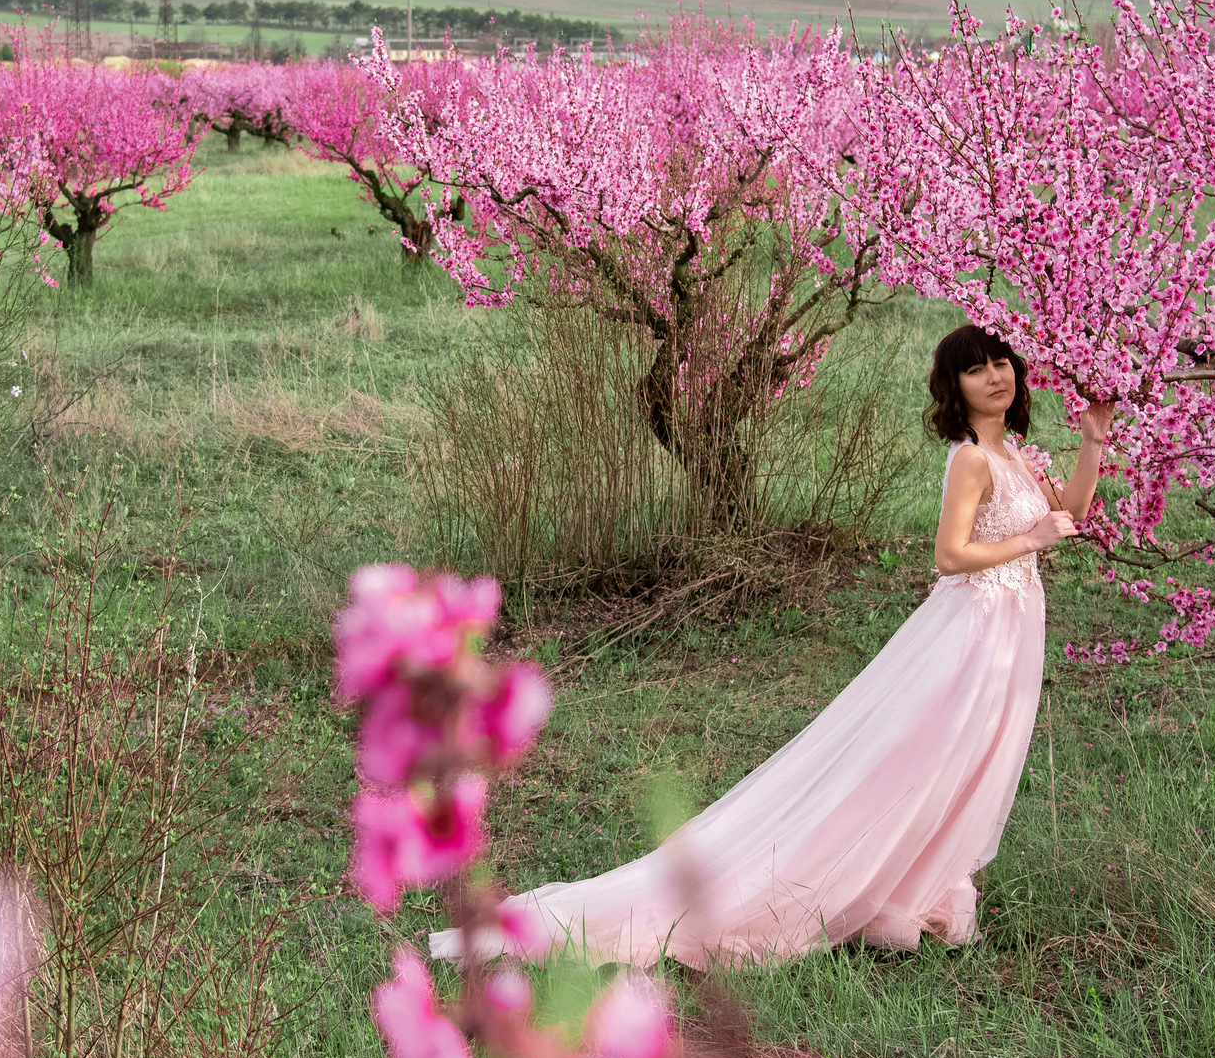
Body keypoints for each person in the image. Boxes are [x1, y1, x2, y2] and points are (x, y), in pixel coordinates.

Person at [430, 322, 1113, 968]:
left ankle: (921, 877)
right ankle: (842, 881)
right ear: (952, 386)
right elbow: (950, 554)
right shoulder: (970, 458)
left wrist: (1092, 441)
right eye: (974, 367)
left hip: (1010, 629)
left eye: (1000, 363)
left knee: (971, 763)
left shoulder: (1014, 452)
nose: (993, 376)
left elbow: (1071, 515)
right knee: (923, 757)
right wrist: (1029, 541)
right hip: (969, 629)